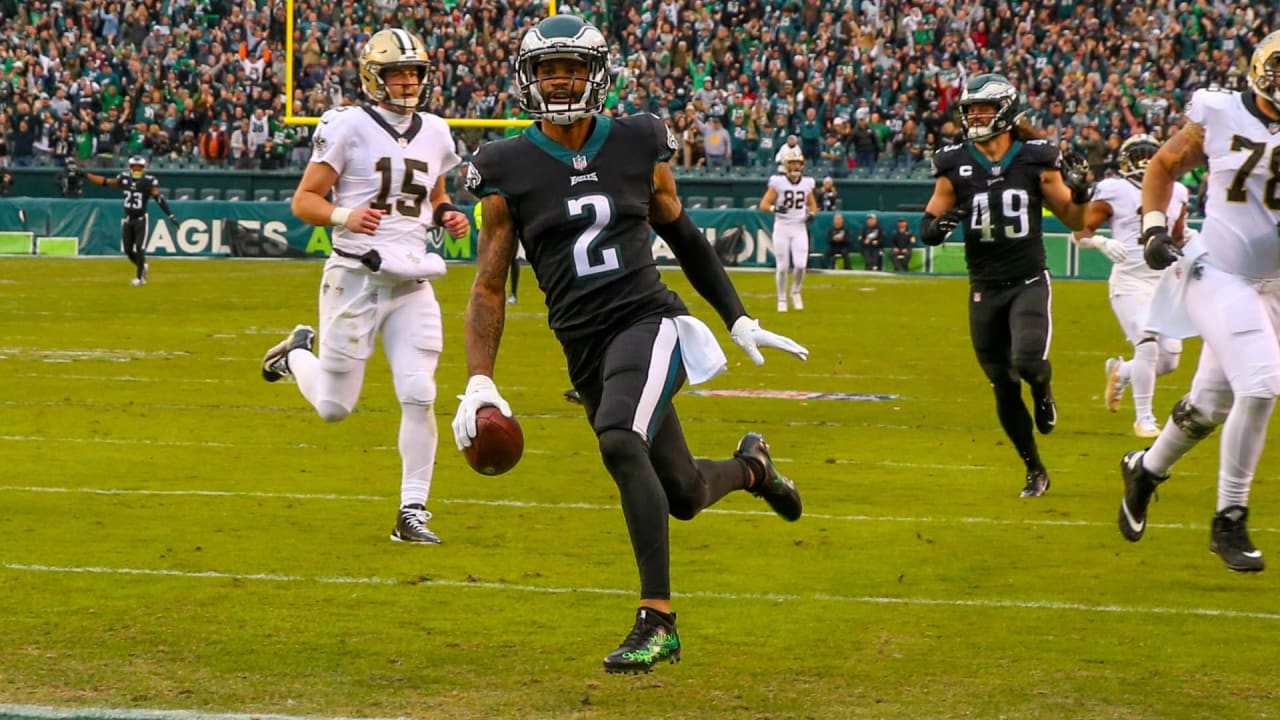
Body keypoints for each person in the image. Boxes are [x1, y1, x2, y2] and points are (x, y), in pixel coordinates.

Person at [453, 15, 808, 675]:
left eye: (574, 68)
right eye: (548, 70)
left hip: (648, 320)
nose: (561, 81)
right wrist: (480, 378)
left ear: (598, 74)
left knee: (619, 436)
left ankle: (658, 619)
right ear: (528, 80)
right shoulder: (506, 164)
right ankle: (755, 468)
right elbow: (489, 287)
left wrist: (736, 318)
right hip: (585, 345)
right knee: (683, 491)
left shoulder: (640, 140)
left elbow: (683, 234)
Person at [260, 28, 470, 545]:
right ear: (373, 76)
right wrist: (346, 214)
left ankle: (412, 511)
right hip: (355, 276)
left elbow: (434, 193)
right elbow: (304, 200)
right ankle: (292, 358)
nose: (406, 82)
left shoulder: (438, 130)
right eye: (397, 72)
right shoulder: (348, 125)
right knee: (334, 407)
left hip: (412, 280)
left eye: (414, 72)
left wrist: (446, 212)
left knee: (419, 393)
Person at [1117, 32, 1280, 573]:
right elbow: (1163, 166)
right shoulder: (1217, 112)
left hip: (1274, 285)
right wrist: (1155, 228)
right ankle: (1229, 517)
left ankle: (1144, 470)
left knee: (1211, 405)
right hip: (1220, 270)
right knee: (1261, 384)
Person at [919, 73, 1090, 498]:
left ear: (1007, 111)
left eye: (984, 109)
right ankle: (1034, 468)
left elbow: (1074, 219)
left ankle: (1044, 391)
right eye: (971, 109)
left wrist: (1083, 191)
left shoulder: (1036, 158)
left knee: (1029, 362)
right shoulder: (954, 162)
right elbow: (927, 226)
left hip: (1028, 279)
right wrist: (939, 226)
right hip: (984, 287)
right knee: (1002, 382)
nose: (976, 117)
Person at [1070, 134, 1189, 438]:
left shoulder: (1177, 192)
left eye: (1150, 155)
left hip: (1164, 284)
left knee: (1170, 359)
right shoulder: (1115, 190)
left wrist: (1193, 242)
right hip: (1130, 282)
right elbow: (1079, 231)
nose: (1145, 162)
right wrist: (1100, 241)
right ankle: (1144, 419)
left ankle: (1121, 372)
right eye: (1139, 156)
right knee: (1147, 342)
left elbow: (1177, 237)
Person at [82, 156, 177, 286]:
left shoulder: (148, 181)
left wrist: (170, 215)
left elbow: (158, 198)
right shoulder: (124, 178)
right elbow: (105, 182)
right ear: (130, 167)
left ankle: (140, 278)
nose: (136, 169)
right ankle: (142, 266)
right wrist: (87, 175)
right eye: (134, 166)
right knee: (128, 250)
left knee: (139, 248)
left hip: (141, 219)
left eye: (139, 167)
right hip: (128, 218)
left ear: (143, 168)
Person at [759, 148, 817, 311]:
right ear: (786, 165)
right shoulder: (778, 182)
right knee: (782, 266)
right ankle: (782, 299)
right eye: (793, 164)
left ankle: (796, 291)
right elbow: (763, 204)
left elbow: (812, 204)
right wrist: (774, 209)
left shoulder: (807, 183)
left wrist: (812, 213)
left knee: (800, 265)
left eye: (798, 164)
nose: (796, 167)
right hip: (782, 226)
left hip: (799, 227)